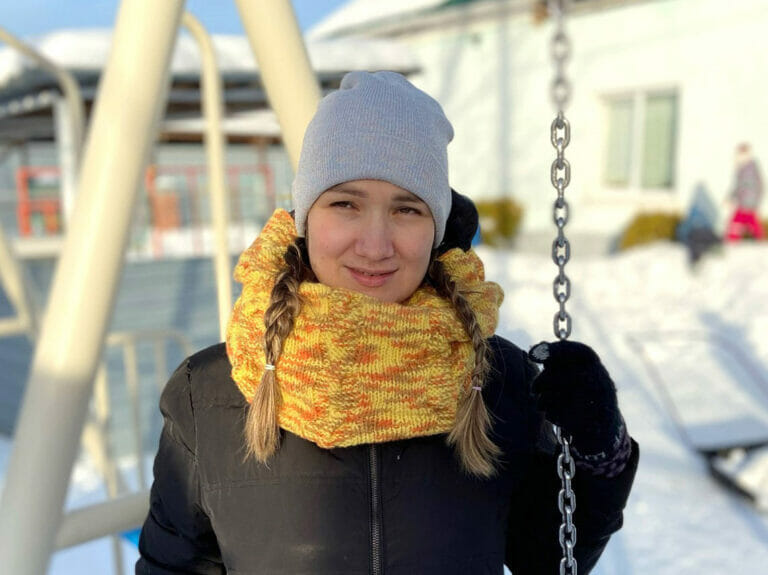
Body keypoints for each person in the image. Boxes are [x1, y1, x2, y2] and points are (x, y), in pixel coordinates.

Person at [136, 71, 638, 575]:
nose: (375, 245)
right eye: (345, 204)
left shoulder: (498, 380)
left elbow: (546, 558)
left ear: (437, 227)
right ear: (307, 218)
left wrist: (599, 454)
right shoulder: (207, 395)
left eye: (407, 209)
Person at [725, 143, 765, 242]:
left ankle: (732, 241)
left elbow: (749, 187)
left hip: (747, 202)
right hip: (746, 202)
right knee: (750, 223)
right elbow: (739, 186)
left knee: (737, 223)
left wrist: (748, 201)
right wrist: (731, 197)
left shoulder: (749, 169)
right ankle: (759, 241)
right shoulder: (743, 168)